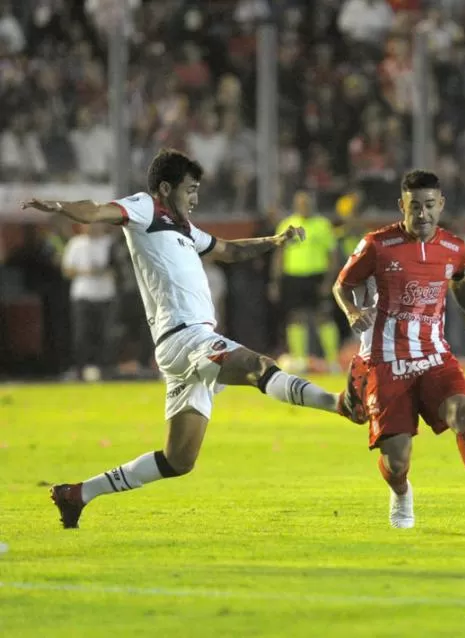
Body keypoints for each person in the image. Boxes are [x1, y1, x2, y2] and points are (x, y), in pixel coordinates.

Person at [22, 149, 344, 530]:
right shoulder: (145, 208)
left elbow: (226, 250)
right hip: (185, 339)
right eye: (190, 189)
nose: (195, 198)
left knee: (178, 460)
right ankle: (339, 403)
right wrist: (59, 206)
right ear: (164, 188)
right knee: (260, 366)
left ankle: (77, 494)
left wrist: (274, 241)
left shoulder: (185, 229)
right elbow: (94, 210)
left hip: (185, 345)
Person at [332, 169, 465, 529]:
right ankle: (401, 491)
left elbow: (461, 279)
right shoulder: (376, 245)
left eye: (428, 205)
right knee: (397, 460)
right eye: (414, 207)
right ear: (401, 206)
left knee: (464, 412)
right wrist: (351, 310)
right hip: (386, 361)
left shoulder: (455, 248)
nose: (421, 214)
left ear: (440, 205)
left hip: (433, 356)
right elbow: (342, 285)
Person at [268, 191, 341, 373]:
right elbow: (280, 254)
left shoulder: (322, 225)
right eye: (300, 203)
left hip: (317, 276)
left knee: (323, 317)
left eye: (306, 203)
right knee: (295, 317)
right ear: (295, 205)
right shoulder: (286, 225)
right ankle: (299, 360)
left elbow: (332, 255)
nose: (304, 206)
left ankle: (332, 360)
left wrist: (329, 281)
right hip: (293, 277)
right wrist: (275, 281)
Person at [61, 224, 116, 381]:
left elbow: (119, 268)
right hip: (82, 295)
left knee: (106, 335)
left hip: (106, 295)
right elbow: (67, 270)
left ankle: (105, 371)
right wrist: (86, 272)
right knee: (82, 335)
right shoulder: (76, 243)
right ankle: (80, 371)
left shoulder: (110, 242)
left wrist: (106, 271)